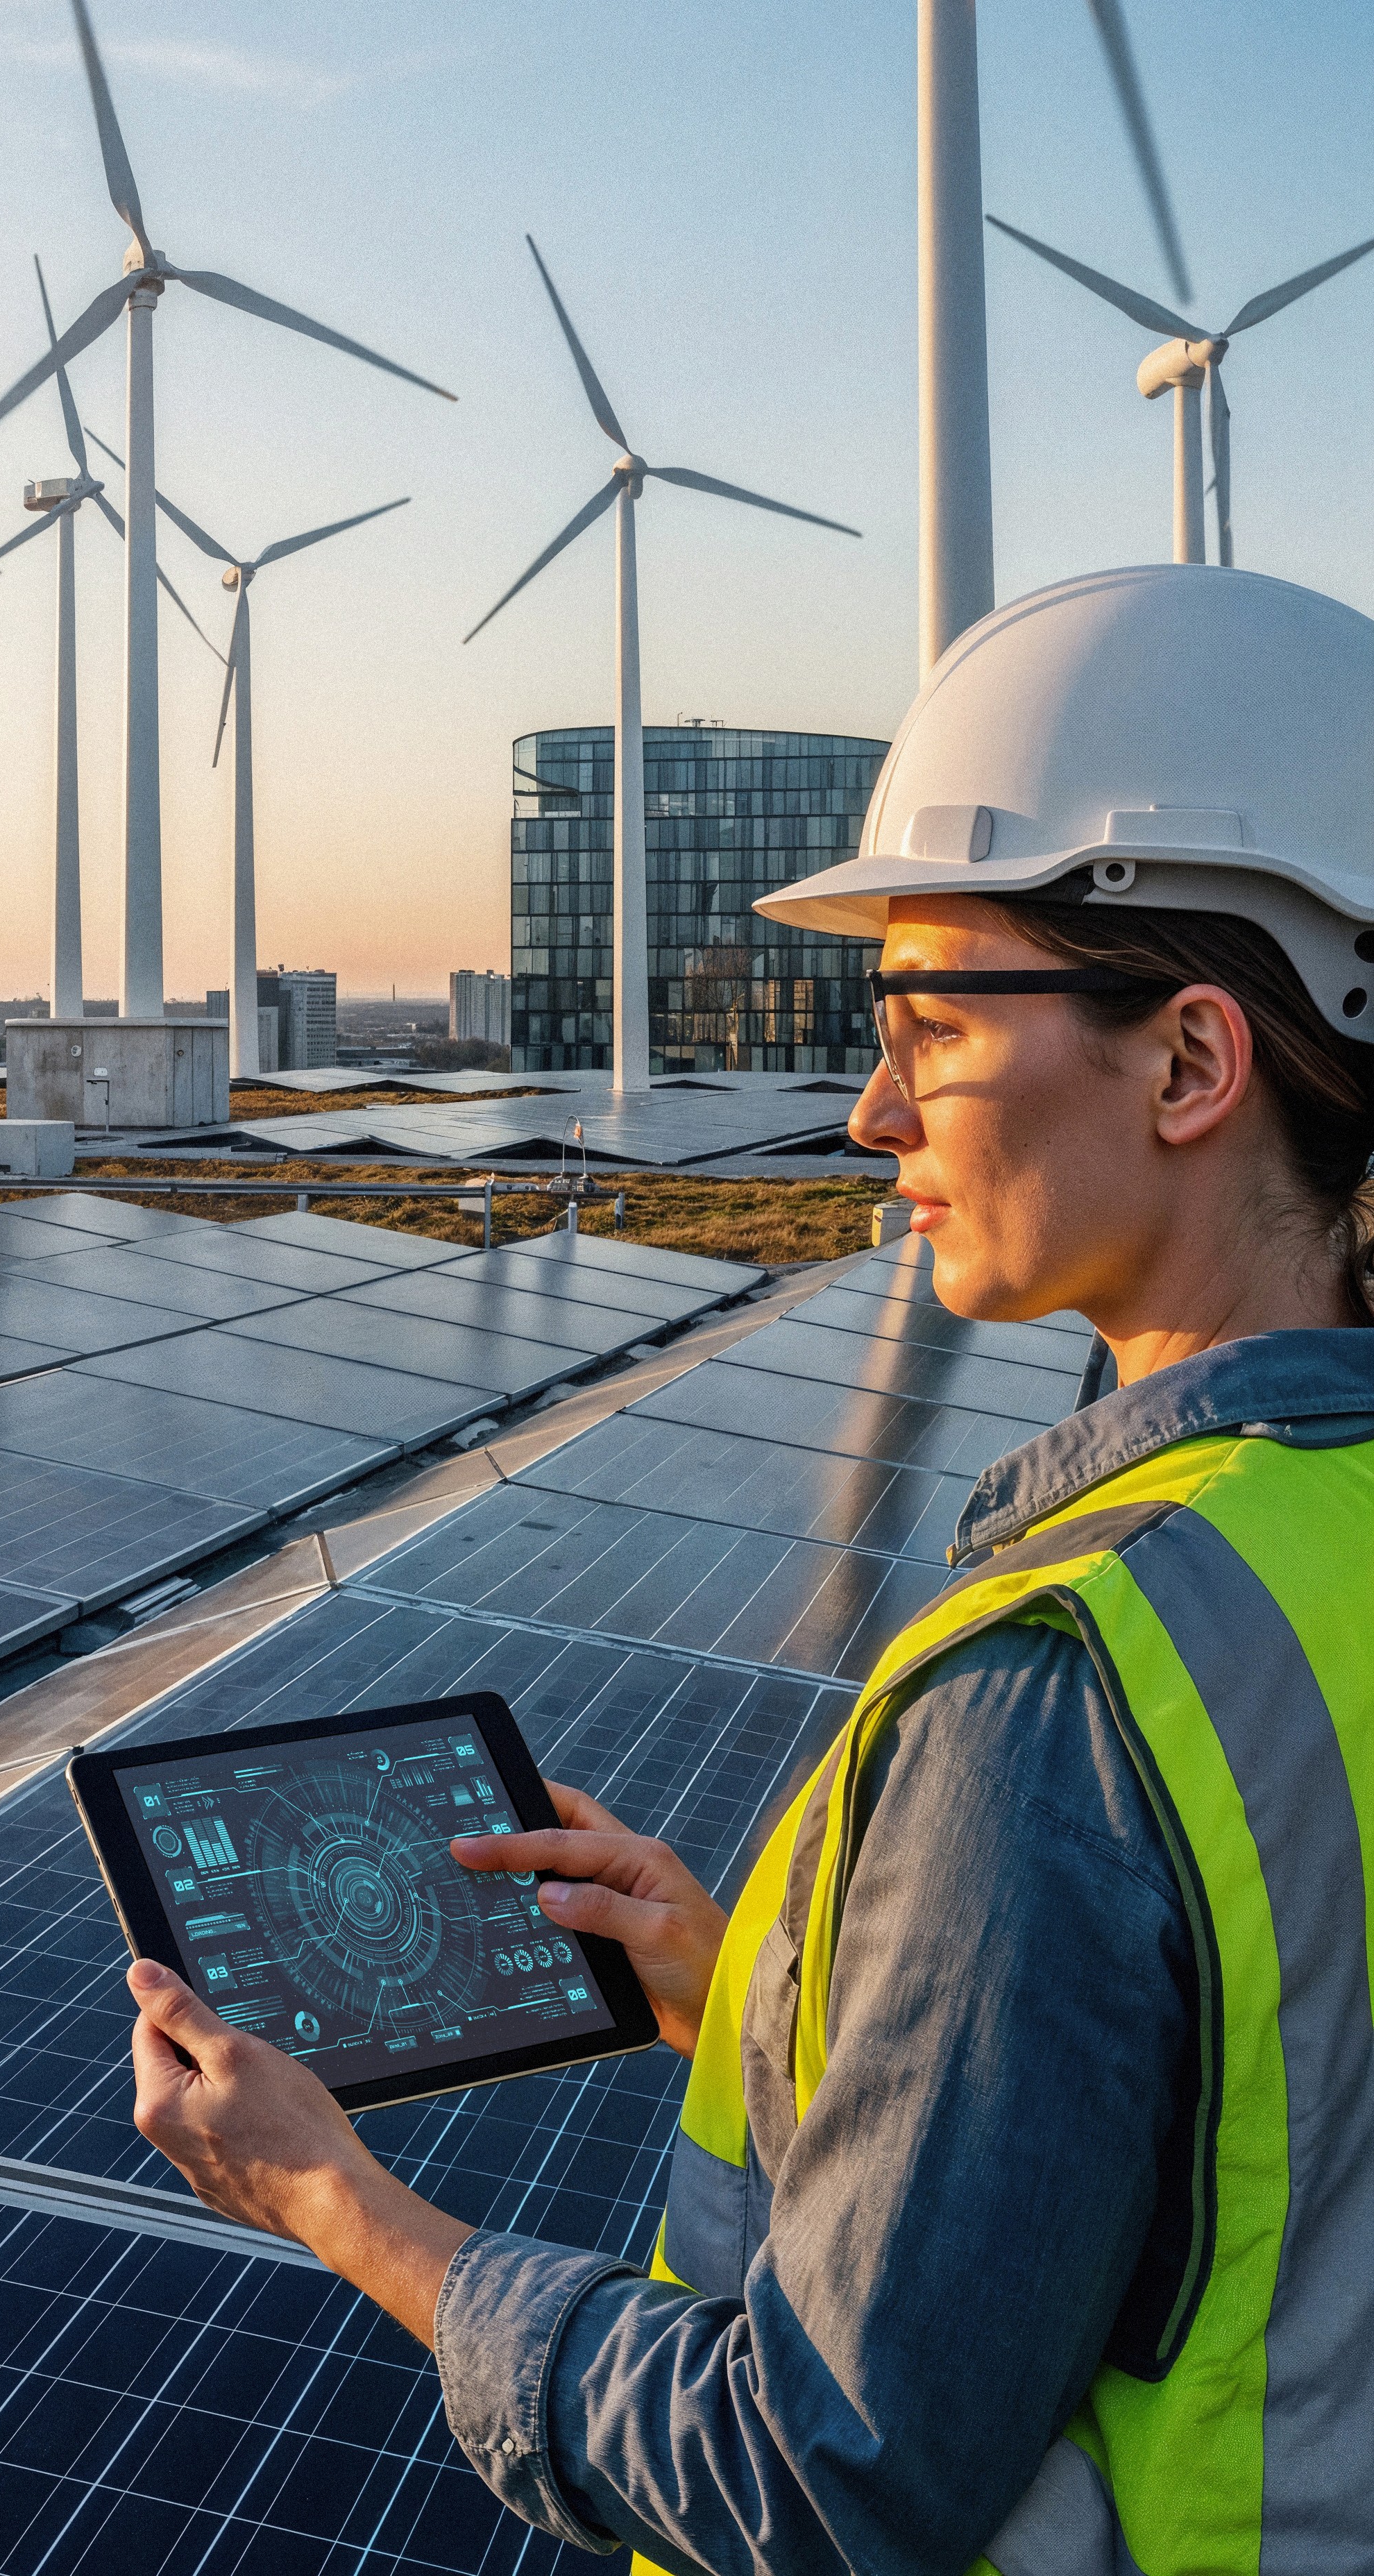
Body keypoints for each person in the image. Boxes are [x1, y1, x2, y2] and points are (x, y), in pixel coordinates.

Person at [125, 566, 1374, 2573]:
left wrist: (342, 2208)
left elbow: (822, 2472)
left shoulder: (1069, 1685)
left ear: (1190, 1063)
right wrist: (768, 2008)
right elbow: (1262, 2143)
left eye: (933, 1023)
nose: (872, 1105)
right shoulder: (1312, 1554)